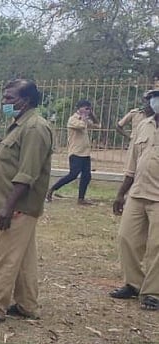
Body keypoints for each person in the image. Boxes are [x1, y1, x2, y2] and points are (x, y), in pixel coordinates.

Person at [0, 79, 53, 326]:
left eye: (9, 98)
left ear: (25, 100)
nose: (4, 102)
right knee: (23, 256)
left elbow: (27, 173)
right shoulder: (21, 125)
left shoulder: (35, 128)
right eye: (4, 97)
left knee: (5, 256)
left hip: (19, 206)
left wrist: (8, 206)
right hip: (13, 204)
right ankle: (28, 305)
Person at [108, 89, 159, 312]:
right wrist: (121, 193)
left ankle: (153, 292)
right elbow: (132, 163)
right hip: (138, 192)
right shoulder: (143, 124)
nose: (152, 101)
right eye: (152, 97)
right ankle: (134, 283)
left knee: (157, 246)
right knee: (126, 238)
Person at [46, 100, 101, 205]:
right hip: (76, 153)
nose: (87, 111)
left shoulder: (85, 119)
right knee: (73, 175)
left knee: (86, 176)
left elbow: (98, 125)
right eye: (86, 108)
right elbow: (81, 126)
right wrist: (84, 117)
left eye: (89, 108)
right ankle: (52, 189)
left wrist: (92, 115)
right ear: (79, 108)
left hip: (85, 153)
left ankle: (81, 199)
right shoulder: (72, 119)